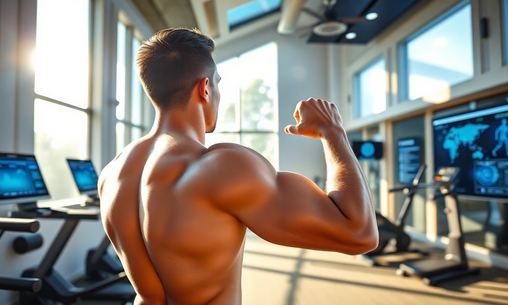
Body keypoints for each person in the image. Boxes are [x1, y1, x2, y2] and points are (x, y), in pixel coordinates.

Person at [98, 28, 378, 305]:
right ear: (205, 88)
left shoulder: (112, 174)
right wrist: (333, 132)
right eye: (217, 83)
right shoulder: (220, 167)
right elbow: (359, 233)